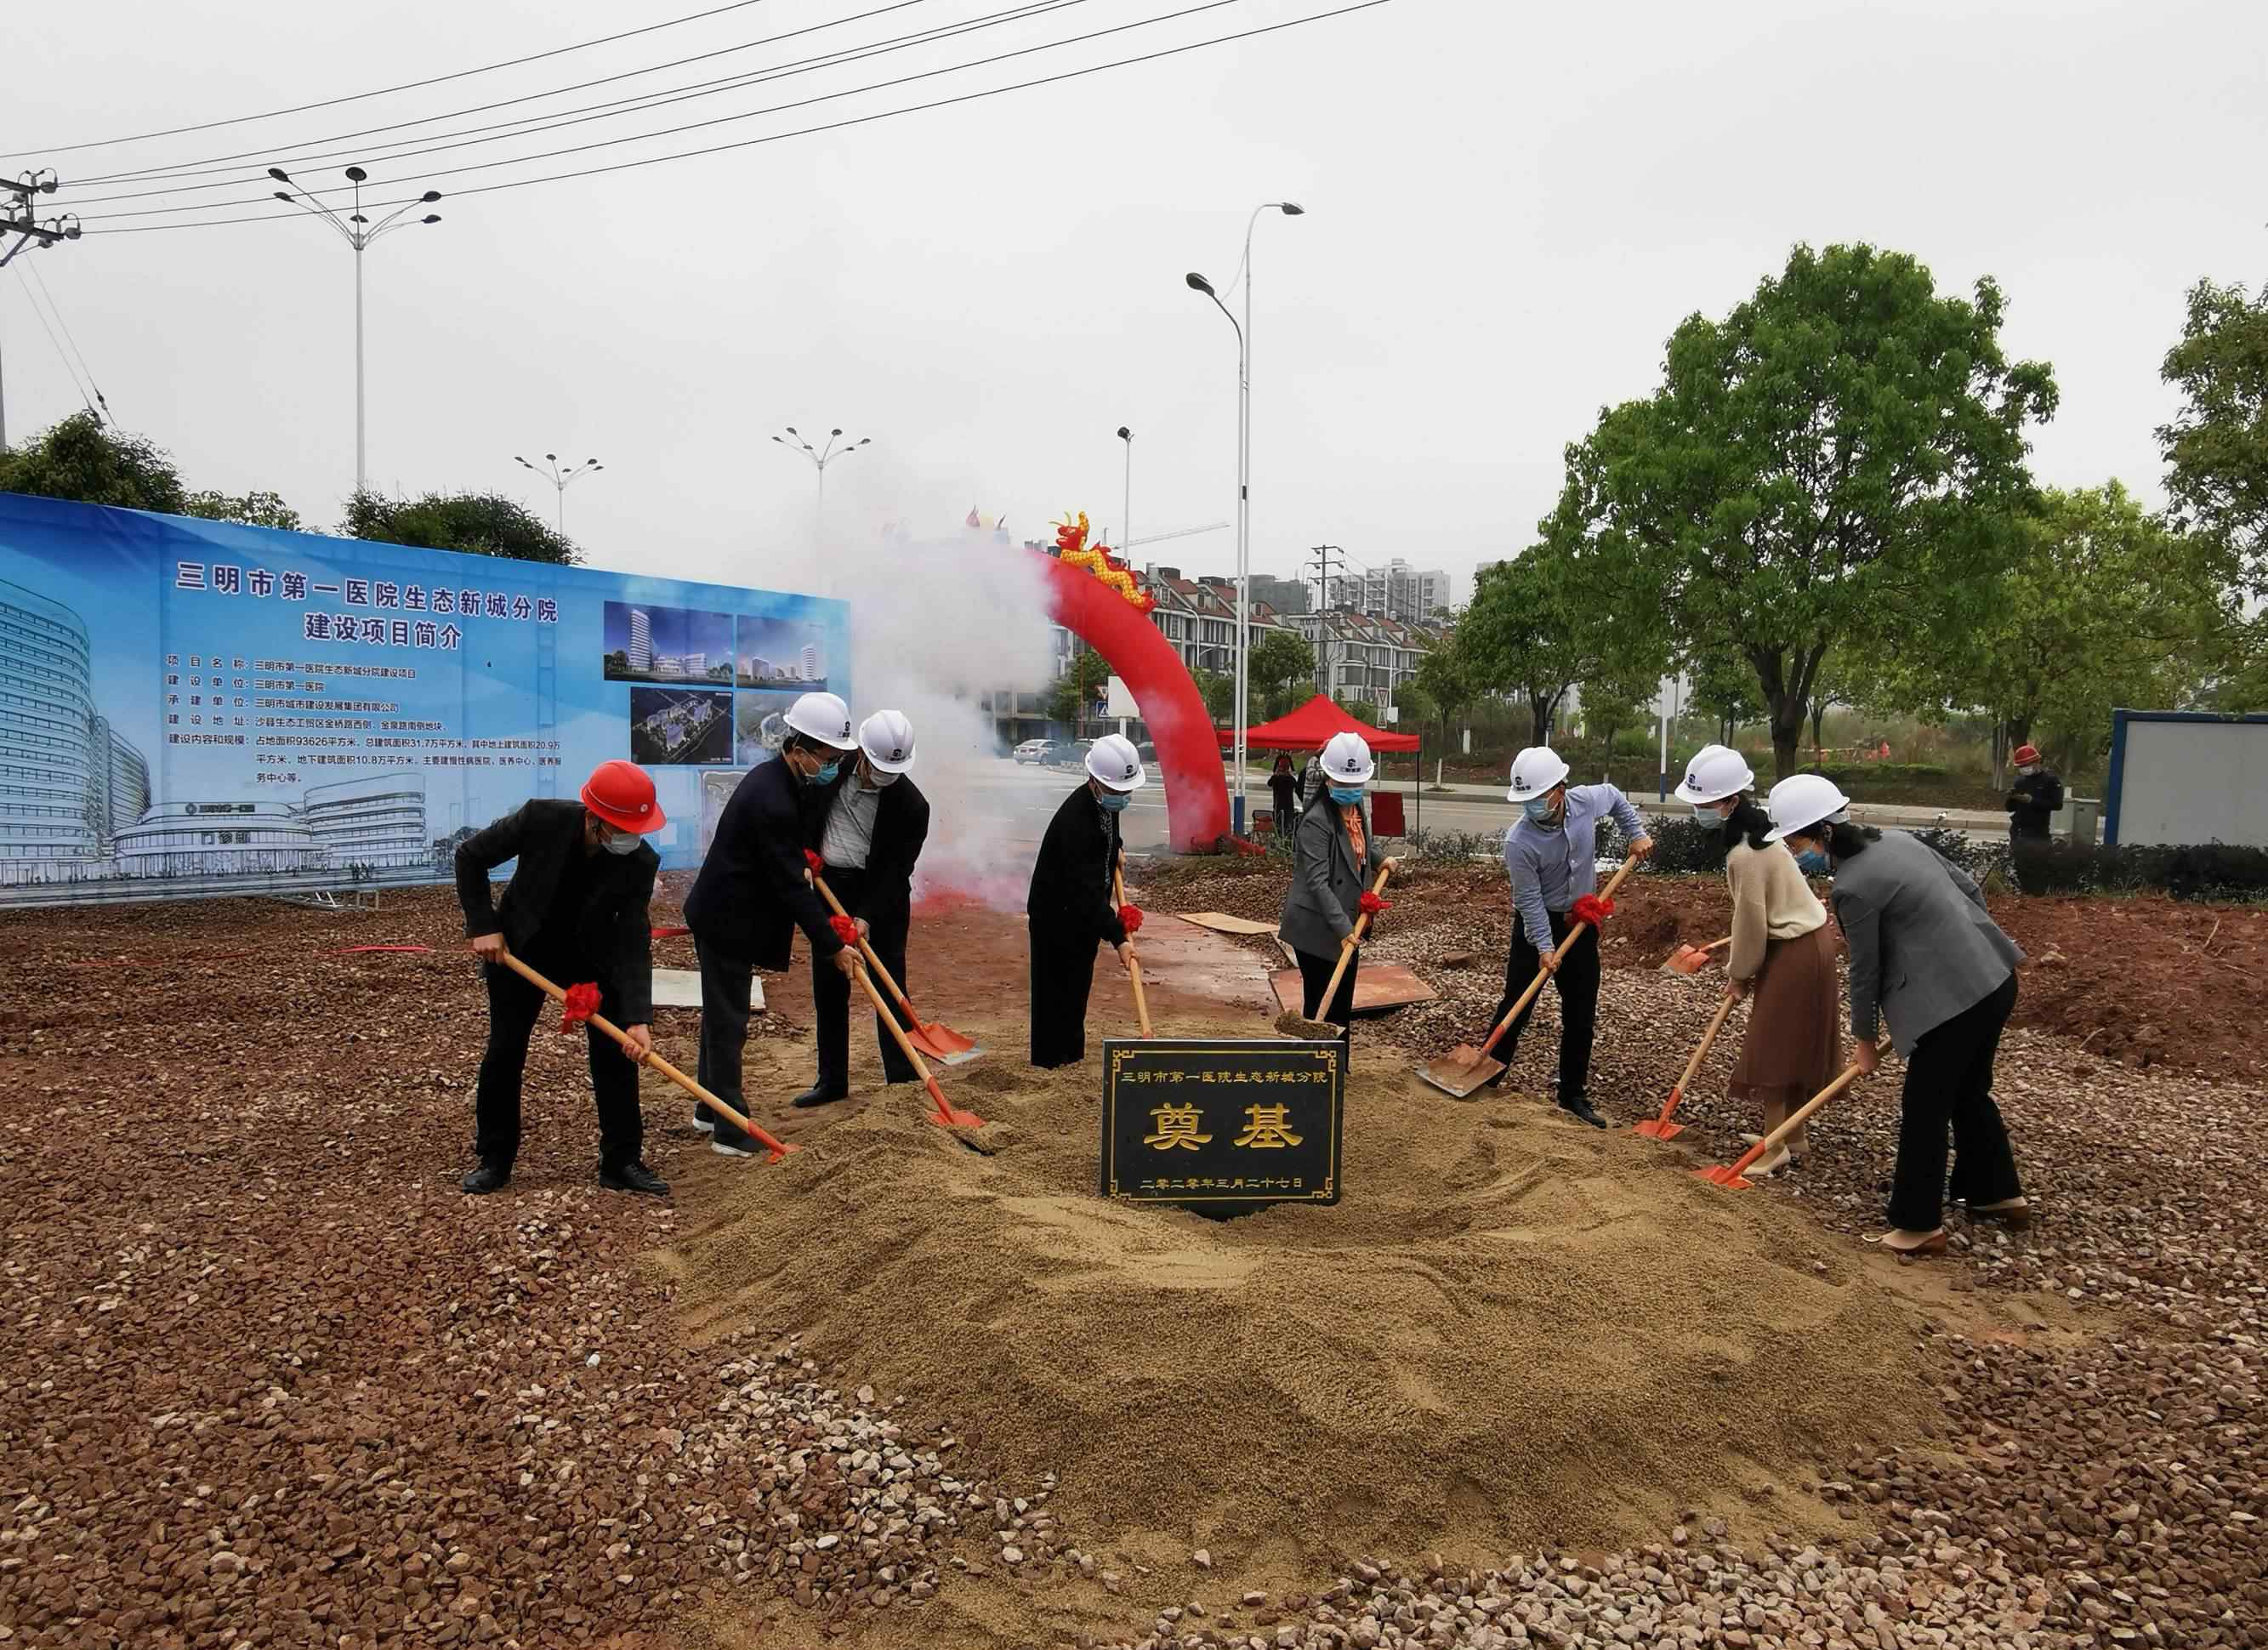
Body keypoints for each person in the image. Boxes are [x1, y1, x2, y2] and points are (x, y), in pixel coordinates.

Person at [1766, 774, 2029, 1255]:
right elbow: (1969, 889)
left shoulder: (1853, 886)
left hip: (1953, 1004)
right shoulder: (1900, 841)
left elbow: (1866, 972)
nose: (1792, 850)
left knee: (1925, 1108)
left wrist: (1864, 1042)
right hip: (1995, 976)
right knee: (1969, 1091)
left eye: (1795, 839)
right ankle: (1997, 1195)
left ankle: (1917, 1224)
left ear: (1825, 832)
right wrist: (1965, 944)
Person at [454, 760, 671, 1197]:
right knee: (505, 1051)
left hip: (593, 957)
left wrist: (637, 1016)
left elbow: (632, 935)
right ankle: (495, 1158)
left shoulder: (639, 860)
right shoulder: (542, 819)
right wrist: (483, 926)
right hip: (521, 949)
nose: (634, 837)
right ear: (595, 819)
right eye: (625, 827)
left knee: (617, 1053)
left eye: (639, 828)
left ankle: (622, 1160)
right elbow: (470, 856)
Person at [683, 691, 862, 1155]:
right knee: (729, 1020)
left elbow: (783, 866)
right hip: (726, 918)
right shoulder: (772, 798)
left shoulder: (782, 780)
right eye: (828, 757)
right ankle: (729, 1128)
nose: (833, 765)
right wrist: (833, 947)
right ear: (799, 749)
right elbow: (791, 891)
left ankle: (708, 1108)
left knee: (722, 1015)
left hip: (732, 910)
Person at [1676, 743, 1839, 1176]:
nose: (1699, 810)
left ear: (1730, 802)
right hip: (1812, 941)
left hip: (1794, 951)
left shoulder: (1746, 853)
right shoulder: (1760, 835)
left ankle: (1773, 1148)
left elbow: (1750, 922)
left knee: (1774, 1046)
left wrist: (1739, 974)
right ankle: (1793, 1134)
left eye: (1704, 803)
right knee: (1798, 1041)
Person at [1485, 745, 1655, 1126]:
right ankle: (1488, 1073)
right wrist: (1544, 947)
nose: (1531, 805)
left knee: (1581, 1013)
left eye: (1537, 797)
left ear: (1560, 789)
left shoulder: (1584, 801)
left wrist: (1636, 833)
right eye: (1525, 799)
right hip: (1535, 924)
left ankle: (1572, 1093)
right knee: (1517, 1002)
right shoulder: (1519, 841)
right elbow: (1528, 900)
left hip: (1581, 920)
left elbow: (1613, 797)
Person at [799, 709, 929, 1107]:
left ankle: (902, 1080)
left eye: (892, 772)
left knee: (890, 983)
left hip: (881, 896)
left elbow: (897, 870)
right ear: (861, 753)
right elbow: (804, 813)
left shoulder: (912, 806)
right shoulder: (830, 772)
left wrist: (868, 915)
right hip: (830, 884)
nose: (883, 777)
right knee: (830, 985)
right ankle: (832, 1080)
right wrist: (806, 857)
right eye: (877, 768)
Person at [1026, 732, 1144, 1068]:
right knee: (1055, 994)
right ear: (1095, 780)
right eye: (1116, 791)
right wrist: (1119, 937)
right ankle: (1049, 1063)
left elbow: (1109, 835)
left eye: (1126, 791)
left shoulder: (1105, 802)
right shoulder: (1075, 821)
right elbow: (1087, 895)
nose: (1121, 797)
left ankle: (1072, 1058)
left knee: (1077, 990)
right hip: (1056, 916)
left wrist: (1116, 850)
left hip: (1084, 914)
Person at [1278, 732, 1393, 1048]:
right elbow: (1317, 882)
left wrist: (1381, 858)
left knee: (1342, 1002)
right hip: (1317, 926)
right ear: (1328, 779)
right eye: (1343, 784)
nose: (1350, 790)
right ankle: (1315, 1066)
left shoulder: (1355, 809)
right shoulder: (1316, 822)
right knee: (1321, 1000)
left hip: (1348, 921)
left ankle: (1338, 1067)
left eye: (1355, 784)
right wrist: (1343, 929)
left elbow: (1360, 845)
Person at [2004, 743, 2064, 843]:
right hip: (2018, 833)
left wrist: (2032, 801)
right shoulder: (2020, 781)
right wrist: (2011, 797)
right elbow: (2010, 808)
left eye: (2027, 765)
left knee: (2038, 857)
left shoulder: (2050, 780)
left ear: (2037, 762)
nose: (2024, 768)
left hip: (2039, 834)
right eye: (2021, 766)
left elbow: (2057, 805)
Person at [1267, 753, 1302, 840]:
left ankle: (1279, 840)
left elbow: (1269, 783)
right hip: (1288, 805)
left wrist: (1276, 774)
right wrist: (1289, 774)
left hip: (1279, 804)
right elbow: (1296, 785)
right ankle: (1286, 841)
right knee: (1287, 826)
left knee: (1279, 826)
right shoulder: (1290, 779)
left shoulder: (1276, 778)